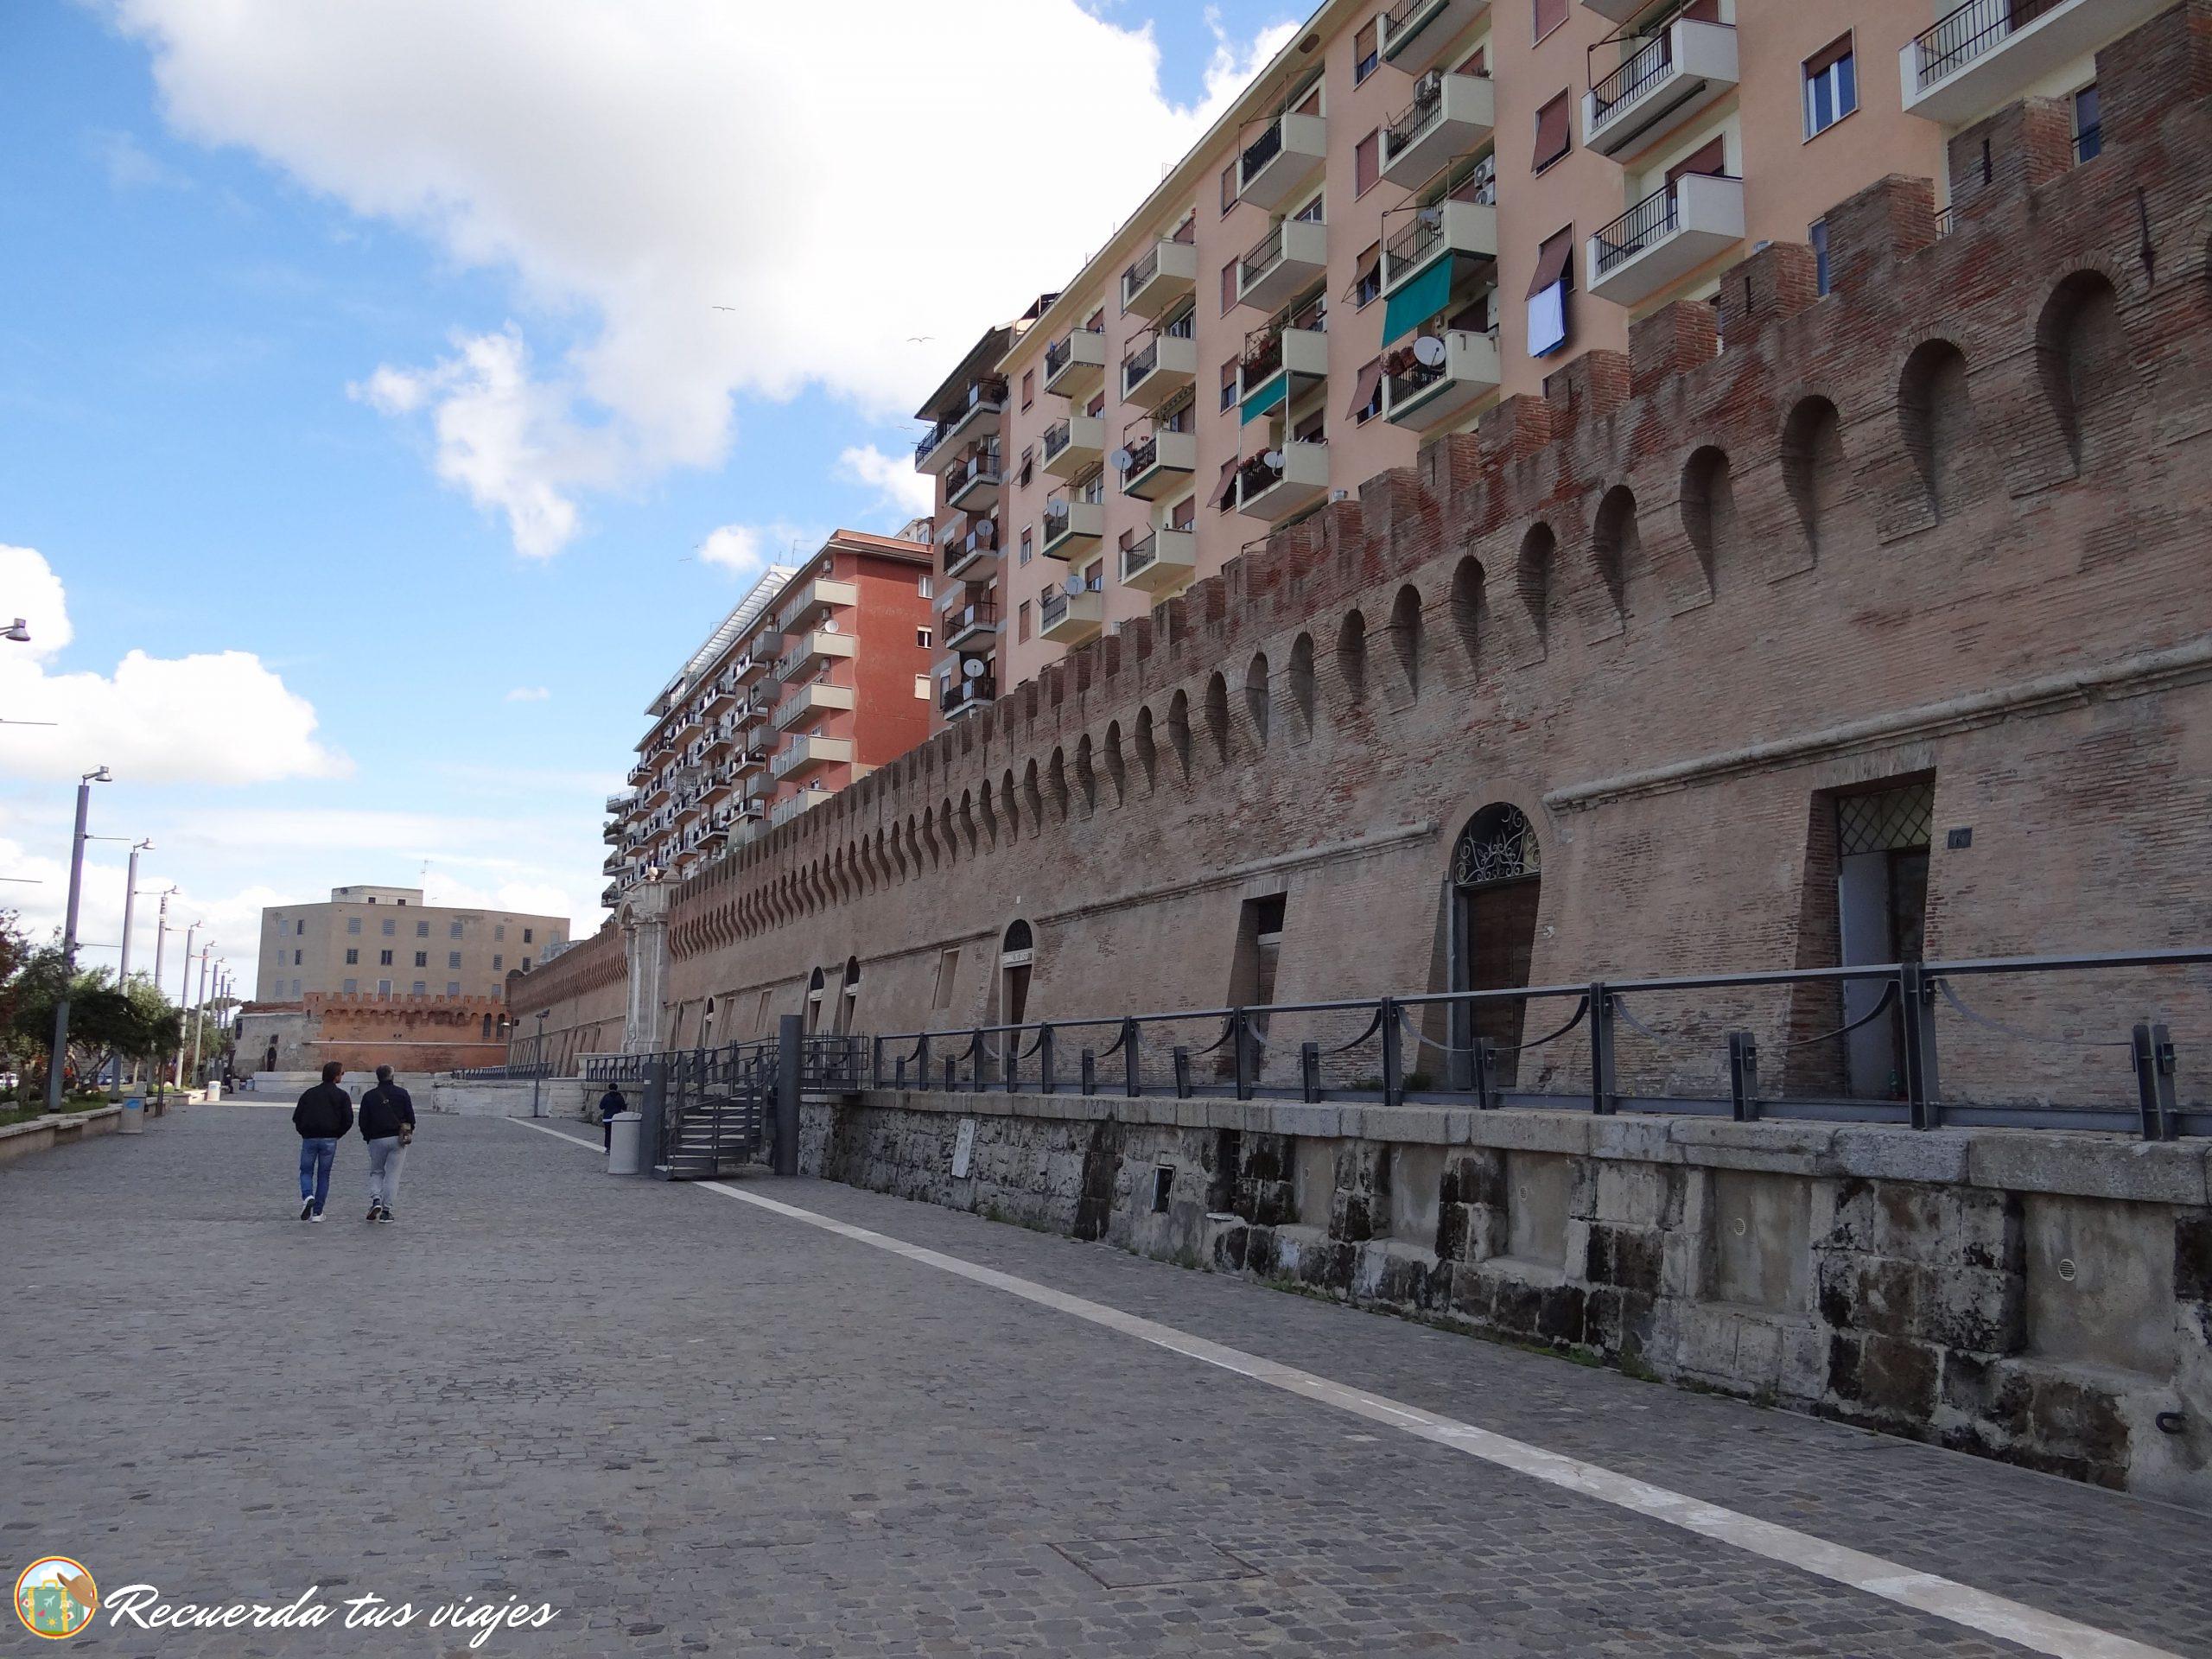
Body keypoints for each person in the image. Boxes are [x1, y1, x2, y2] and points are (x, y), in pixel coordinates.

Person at [291, 1061, 353, 1222]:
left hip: (309, 1138)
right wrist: (337, 1134)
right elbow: (348, 1120)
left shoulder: (309, 1093)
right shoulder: (342, 1096)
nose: (342, 1076)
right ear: (335, 1076)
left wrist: (304, 1132)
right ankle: (318, 1213)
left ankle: (307, 1196)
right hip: (329, 1139)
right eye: (342, 1073)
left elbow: (297, 1117)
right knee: (324, 1175)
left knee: (305, 1171)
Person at [358, 1064, 416, 1224]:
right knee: (392, 1175)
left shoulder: (369, 1096)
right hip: (397, 1139)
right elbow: (411, 1118)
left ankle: (376, 1199)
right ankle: (386, 1211)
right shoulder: (402, 1094)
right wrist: (407, 1133)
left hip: (376, 1139)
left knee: (376, 1171)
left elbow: (363, 1121)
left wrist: (368, 1137)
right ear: (392, 1076)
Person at [597, 1083, 627, 1152]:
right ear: (616, 1089)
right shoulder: (619, 1097)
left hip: (607, 1119)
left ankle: (608, 1147)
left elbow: (601, 1107)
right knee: (616, 1133)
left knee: (608, 1133)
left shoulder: (606, 1096)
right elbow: (624, 1107)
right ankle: (615, 1146)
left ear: (609, 1088)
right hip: (616, 1119)